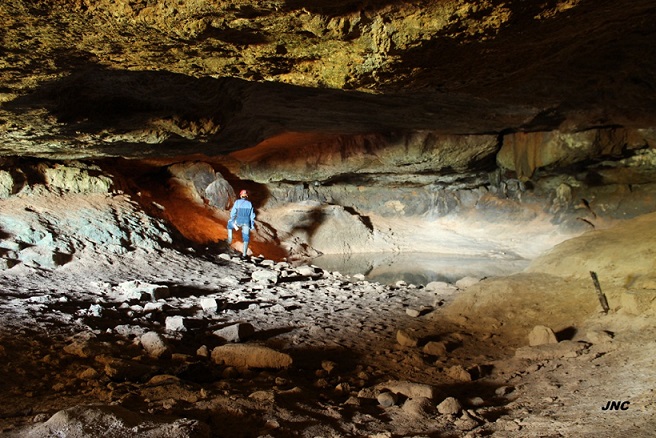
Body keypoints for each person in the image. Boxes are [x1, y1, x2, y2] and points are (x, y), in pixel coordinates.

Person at [227, 189, 256, 257]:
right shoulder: (250, 203)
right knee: (246, 237)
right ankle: (244, 254)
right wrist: (251, 225)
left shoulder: (237, 202)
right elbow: (252, 216)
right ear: (247, 196)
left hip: (238, 221)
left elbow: (233, 213)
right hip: (246, 222)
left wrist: (232, 219)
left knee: (229, 226)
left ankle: (229, 242)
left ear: (240, 196)